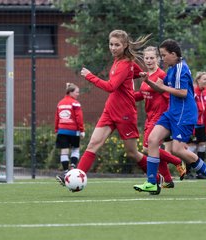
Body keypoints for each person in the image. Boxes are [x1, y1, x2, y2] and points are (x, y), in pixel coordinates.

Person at [57, 30, 164, 193]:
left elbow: (110, 86)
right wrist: (140, 74)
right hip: (110, 111)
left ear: (125, 45)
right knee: (93, 144)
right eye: (111, 44)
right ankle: (75, 177)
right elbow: (135, 73)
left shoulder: (124, 63)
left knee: (132, 153)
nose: (113, 48)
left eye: (117, 45)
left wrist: (90, 76)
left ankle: (155, 178)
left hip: (125, 113)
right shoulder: (120, 62)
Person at [133, 39, 206, 195]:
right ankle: (152, 182)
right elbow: (160, 88)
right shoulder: (172, 68)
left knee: (177, 150)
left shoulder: (181, 69)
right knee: (152, 140)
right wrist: (148, 81)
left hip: (184, 114)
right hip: (172, 112)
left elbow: (183, 92)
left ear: (173, 54)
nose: (162, 58)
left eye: (164, 55)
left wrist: (163, 86)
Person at [134, 46, 186, 188]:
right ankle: (168, 180)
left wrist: (172, 119)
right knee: (154, 148)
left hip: (160, 117)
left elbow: (170, 97)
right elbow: (142, 94)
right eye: (146, 58)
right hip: (149, 116)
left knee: (147, 149)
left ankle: (176, 161)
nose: (149, 60)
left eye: (152, 58)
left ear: (157, 59)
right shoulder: (145, 76)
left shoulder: (162, 75)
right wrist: (126, 96)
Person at [55, 83, 85, 178]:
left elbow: (57, 118)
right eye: (76, 92)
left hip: (62, 131)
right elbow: (79, 117)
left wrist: (57, 129)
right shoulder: (75, 103)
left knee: (64, 151)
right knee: (75, 149)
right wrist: (82, 130)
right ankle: (73, 167)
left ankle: (65, 172)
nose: (78, 94)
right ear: (70, 92)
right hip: (73, 131)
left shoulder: (60, 103)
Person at [187, 71, 206, 179]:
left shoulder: (205, 94)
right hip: (193, 125)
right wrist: (191, 129)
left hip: (201, 125)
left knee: (202, 147)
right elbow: (190, 111)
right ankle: (187, 172)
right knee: (191, 148)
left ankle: (200, 172)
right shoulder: (193, 93)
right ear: (198, 80)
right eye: (204, 79)